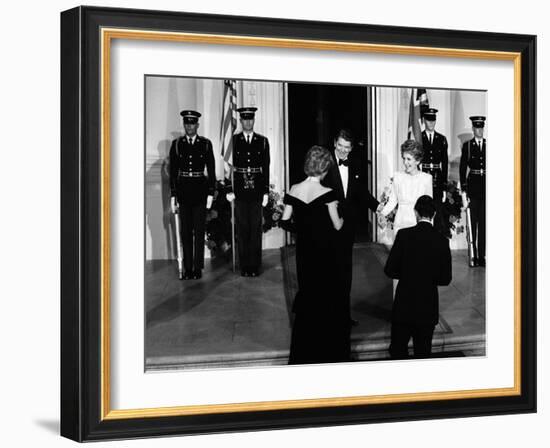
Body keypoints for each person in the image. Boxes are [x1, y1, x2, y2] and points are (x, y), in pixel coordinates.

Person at [281, 146, 348, 364]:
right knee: (324, 297)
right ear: (324, 169)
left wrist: (302, 230)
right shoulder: (328, 194)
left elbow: (284, 221)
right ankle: (324, 350)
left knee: (307, 293)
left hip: (303, 253)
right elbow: (337, 226)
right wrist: (342, 217)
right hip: (324, 253)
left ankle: (304, 350)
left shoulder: (293, 189)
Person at [322, 129, 380, 324]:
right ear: (334, 144)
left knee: (346, 271)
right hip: (328, 226)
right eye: (340, 146)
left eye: (347, 148)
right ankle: (327, 316)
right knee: (329, 271)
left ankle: (344, 315)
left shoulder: (355, 165)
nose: (343, 151)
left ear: (352, 148)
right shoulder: (324, 165)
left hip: (348, 227)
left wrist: (379, 207)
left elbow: (362, 193)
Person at [384, 195, 452, 359]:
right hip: (427, 307)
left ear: (416, 213)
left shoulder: (403, 235)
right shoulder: (442, 241)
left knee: (398, 351)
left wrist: (408, 274)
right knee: (423, 353)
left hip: (404, 304)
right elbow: (445, 279)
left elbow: (389, 270)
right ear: (434, 214)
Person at [169, 110, 215, 280]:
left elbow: (211, 169)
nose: (189, 126)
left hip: (200, 192)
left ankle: (197, 267)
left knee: (199, 230)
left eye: (192, 123)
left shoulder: (205, 144)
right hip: (183, 193)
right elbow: (173, 172)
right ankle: (187, 267)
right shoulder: (177, 144)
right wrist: (173, 195)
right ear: (184, 125)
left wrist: (211, 192)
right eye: (187, 123)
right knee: (186, 232)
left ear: (198, 125)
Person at [226, 107, 270, 277]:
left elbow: (265, 167)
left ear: (254, 120)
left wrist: (265, 191)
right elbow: (228, 167)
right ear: (241, 121)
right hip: (240, 191)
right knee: (243, 228)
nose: (248, 122)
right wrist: (230, 189)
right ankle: (245, 266)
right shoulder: (234, 141)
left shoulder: (263, 141)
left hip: (257, 191)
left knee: (255, 229)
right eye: (245, 119)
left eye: (250, 119)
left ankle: (255, 266)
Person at [380, 139, 433, 234]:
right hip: (400, 224)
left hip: (418, 224)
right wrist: (382, 214)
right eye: (404, 158)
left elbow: (429, 208)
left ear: (417, 161)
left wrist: (429, 229)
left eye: (409, 159)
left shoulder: (426, 179)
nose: (405, 162)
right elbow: (392, 201)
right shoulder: (398, 176)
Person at [460, 116, 487, 267]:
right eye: (477, 128)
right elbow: (463, 168)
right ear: (473, 129)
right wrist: (464, 188)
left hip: (486, 188)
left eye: (481, 127)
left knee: (483, 224)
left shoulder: (489, 144)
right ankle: (473, 254)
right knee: (473, 223)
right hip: (473, 188)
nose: (479, 130)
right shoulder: (468, 146)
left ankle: (482, 256)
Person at [420, 108, 448, 204]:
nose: (431, 123)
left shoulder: (441, 139)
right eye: (429, 120)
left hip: (438, 178)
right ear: (424, 120)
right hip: (423, 175)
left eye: (433, 120)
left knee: (437, 208)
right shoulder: (419, 138)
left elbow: (445, 163)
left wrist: (444, 185)